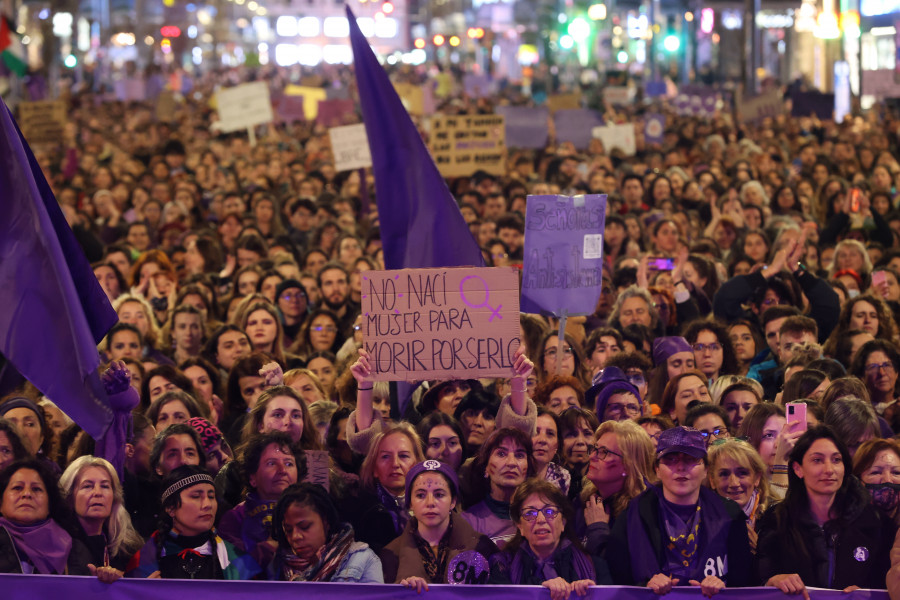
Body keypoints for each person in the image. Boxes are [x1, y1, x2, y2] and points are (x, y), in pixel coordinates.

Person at [606, 427, 754, 592]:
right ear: (657, 470)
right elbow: (613, 579)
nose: (681, 467)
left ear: (706, 470)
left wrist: (723, 588)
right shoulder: (633, 515)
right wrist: (644, 588)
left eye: (691, 459)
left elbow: (744, 582)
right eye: (670, 459)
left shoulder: (730, 514)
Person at [756, 426, 896, 591]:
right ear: (798, 468)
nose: (829, 470)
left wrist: (867, 593)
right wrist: (773, 580)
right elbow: (757, 577)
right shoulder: (776, 520)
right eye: (817, 460)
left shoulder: (875, 522)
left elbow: (888, 583)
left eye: (836, 460)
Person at [129, 465, 261, 579]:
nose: (207, 504)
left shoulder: (239, 563)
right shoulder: (143, 562)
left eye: (211, 496)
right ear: (171, 508)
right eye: (196, 497)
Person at [381, 460, 497, 587]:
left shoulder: (481, 546)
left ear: (453, 502)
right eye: (420, 495)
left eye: (439, 494)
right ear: (410, 503)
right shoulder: (390, 554)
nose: (430, 502)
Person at [489, 478, 611, 596]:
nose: (540, 520)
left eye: (549, 512)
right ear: (520, 526)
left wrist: (586, 595)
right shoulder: (502, 566)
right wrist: (539, 591)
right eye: (530, 513)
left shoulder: (595, 566)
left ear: (563, 522)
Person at [218, 432, 304, 570]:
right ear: (252, 478)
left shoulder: (312, 514)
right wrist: (268, 548)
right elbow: (233, 572)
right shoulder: (235, 519)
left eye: (289, 463)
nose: (282, 470)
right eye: (271, 463)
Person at [269, 482, 382, 582]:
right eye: (288, 530)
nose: (295, 536)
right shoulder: (276, 565)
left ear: (325, 522)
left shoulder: (363, 559)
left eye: (304, 526)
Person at [0, 459, 92, 575]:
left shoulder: (74, 550)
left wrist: (105, 582)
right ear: (1, 503)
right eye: (17, 488)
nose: (27, 494)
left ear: (49, 504)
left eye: (36, 489)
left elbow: (84, 592)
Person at [59, 456, 144, 579]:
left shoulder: (129, 548)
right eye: (87, 486)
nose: (98, 493)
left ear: (114, 497)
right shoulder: (58, 545)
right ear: (70, 496)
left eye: (105, 486)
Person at [582, 420, 655, 555]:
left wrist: (597, 528)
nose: (592, 456)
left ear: (628, 465)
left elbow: (619, 569)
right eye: (595, 449)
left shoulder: (643, 511)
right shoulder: (585, 499)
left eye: (604, 452)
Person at [462, 428, 535, 548]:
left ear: (528, 469)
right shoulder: (467, 522)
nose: (511, 463)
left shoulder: (539, 517)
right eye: (501, 454)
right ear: (485, 467)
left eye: (519, 455)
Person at [706, 438, 773, 551]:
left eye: (742, 473)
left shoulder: (777, 516)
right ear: (712, 480)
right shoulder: (700, 518)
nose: (734, 483)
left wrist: (761, 552)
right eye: (724, 474)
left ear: (757, 478)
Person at [852, 438, 900, 525]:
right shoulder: (847, 526)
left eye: (896, 473)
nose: (888, 480)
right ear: (857, 479)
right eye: (876, 472)